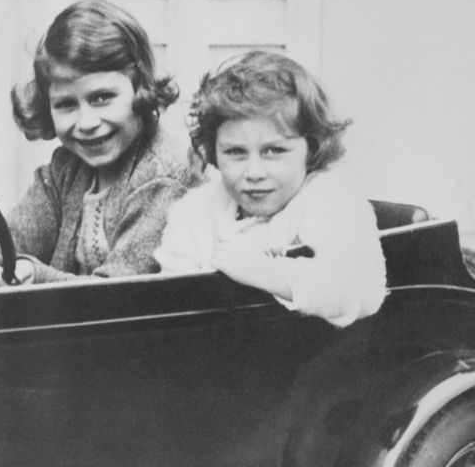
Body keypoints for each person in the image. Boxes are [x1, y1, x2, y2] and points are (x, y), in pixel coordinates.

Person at [0, 0, 200, 286]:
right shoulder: (66, 171)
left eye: (102, 98)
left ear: (141, 88)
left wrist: (35, 275)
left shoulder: (164, 176)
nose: (86, 123)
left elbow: (120, 295)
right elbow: (5, 247)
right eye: (66, 104)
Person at [154, 51, 387, 327]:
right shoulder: (193, 211)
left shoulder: (330, 197)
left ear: (311, 147)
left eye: (274, 151)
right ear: (213, 152)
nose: (254, 173)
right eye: (236, 152)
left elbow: (360, 288)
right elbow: (173, 305)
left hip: (313, 356)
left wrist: (264, 271)